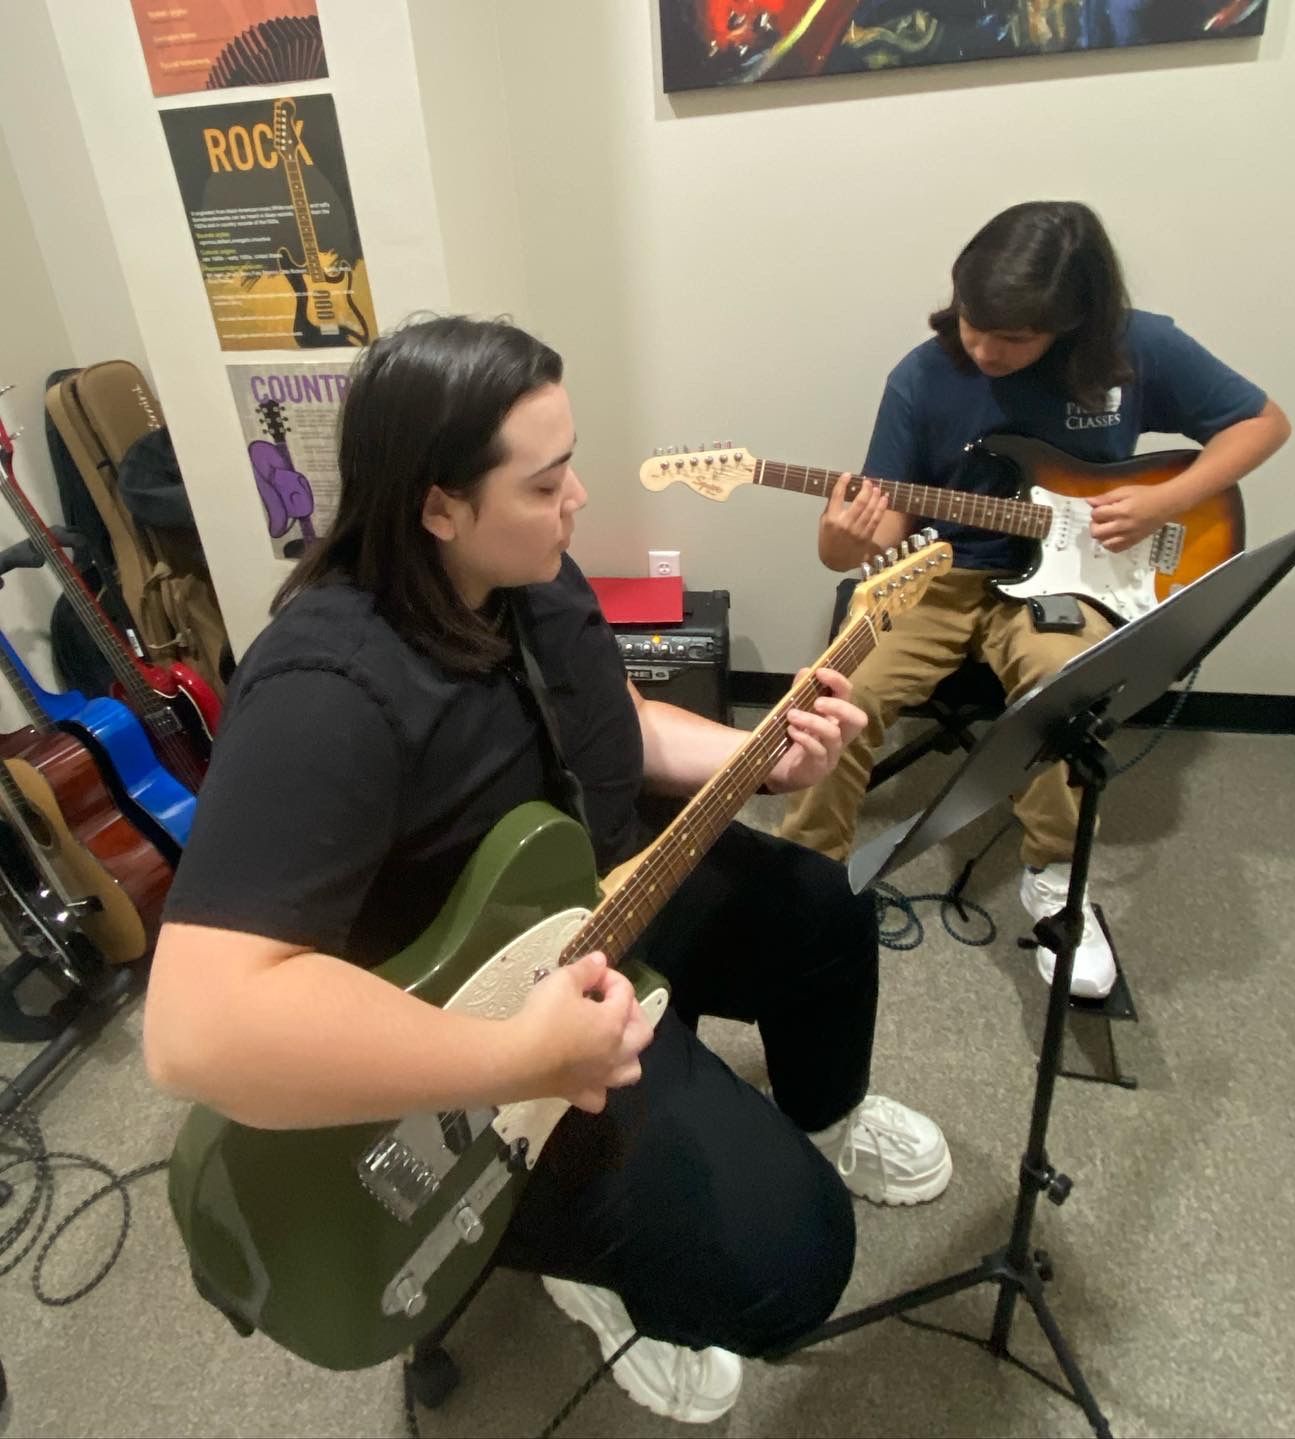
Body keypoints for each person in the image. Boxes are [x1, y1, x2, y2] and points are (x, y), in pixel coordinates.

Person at [143, 316, 953, 1426]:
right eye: (546, 483)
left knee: (824, 912)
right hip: (486, 1026)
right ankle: (589, 1266)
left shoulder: (537, 576)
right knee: (794, 1258)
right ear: (437, 504)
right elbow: (197, 1028)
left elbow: (610, 724)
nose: (576, 503)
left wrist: (755, 758)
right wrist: (518, 1053)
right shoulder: (324, 688)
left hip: (603, 891)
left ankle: (832, 1112)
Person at [779, 200, 1291, 998]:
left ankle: (1054, 882)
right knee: (834, 696)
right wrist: (844, 541)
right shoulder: (922, 376)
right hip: (941, 574)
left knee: (1066, 693)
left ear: (1075, 320)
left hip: (1069, 582)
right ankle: (806, 873)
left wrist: (1166, 500)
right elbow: (878, 526)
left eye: (1012, 338)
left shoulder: (1136, 347)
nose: (984, 348)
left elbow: (1262, 423)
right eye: (974, 323)